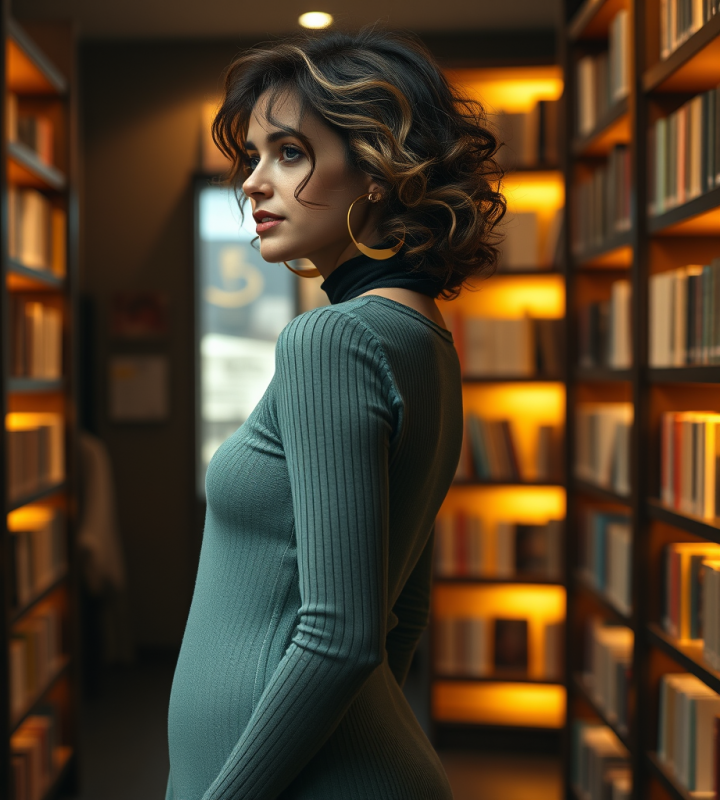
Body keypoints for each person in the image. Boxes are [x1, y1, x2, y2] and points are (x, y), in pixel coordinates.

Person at [165, 27, 505, 800]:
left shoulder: (333, 338)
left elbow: (343, 639)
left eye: (289, 153)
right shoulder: (422, 336)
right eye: (253, 157)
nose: (254, 183)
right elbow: (403, 610)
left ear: (379, 171)